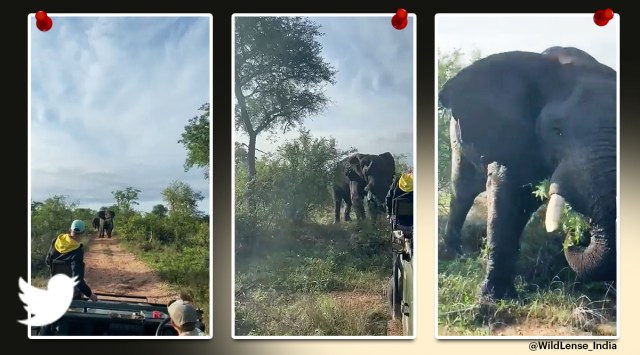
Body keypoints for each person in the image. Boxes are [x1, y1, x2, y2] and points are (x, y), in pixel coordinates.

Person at [45, 219, 98, 302]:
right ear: (82, 233)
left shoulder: (56, 241)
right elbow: (77, 280)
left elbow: (48, 261)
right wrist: (90, 295)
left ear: (70, 230)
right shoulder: (77, 251)